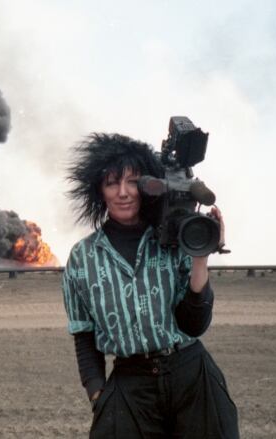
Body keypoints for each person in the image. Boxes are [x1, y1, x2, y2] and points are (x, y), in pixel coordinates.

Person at [62, 133, 239, 438]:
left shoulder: (172, 240)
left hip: (191, 376)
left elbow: (194, 324)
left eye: (132, 182)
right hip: (130, 385)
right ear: (99, 191)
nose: (123, 193)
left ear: (146, 187)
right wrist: (98, 396)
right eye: (112, 183)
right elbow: (84, 337)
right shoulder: (83, 258)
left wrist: (200, 256)